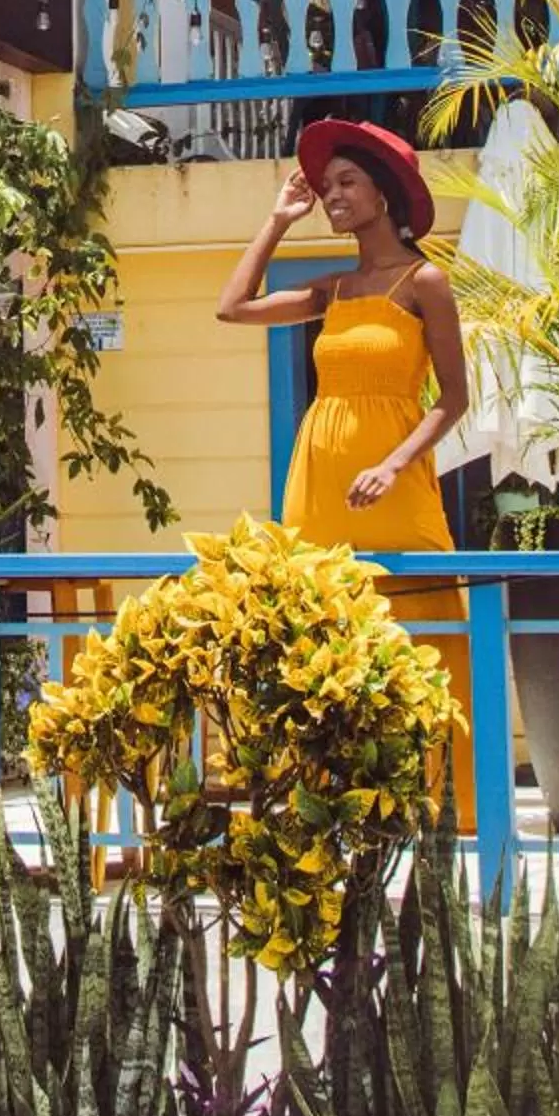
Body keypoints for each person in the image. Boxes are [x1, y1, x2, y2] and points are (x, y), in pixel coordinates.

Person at [216, 119, 474, 816]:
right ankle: (327, 803)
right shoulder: (332, 289)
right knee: (320, 637)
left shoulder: (426, 282)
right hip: (321, 480)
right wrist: (277, 221)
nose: (331, 195)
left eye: (346, 182)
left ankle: (437, 802)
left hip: (393, 482)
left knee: (417, 629)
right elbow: (232, 308)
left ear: (384, 194)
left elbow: (453, 400)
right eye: (326, 187)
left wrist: (394, 465)